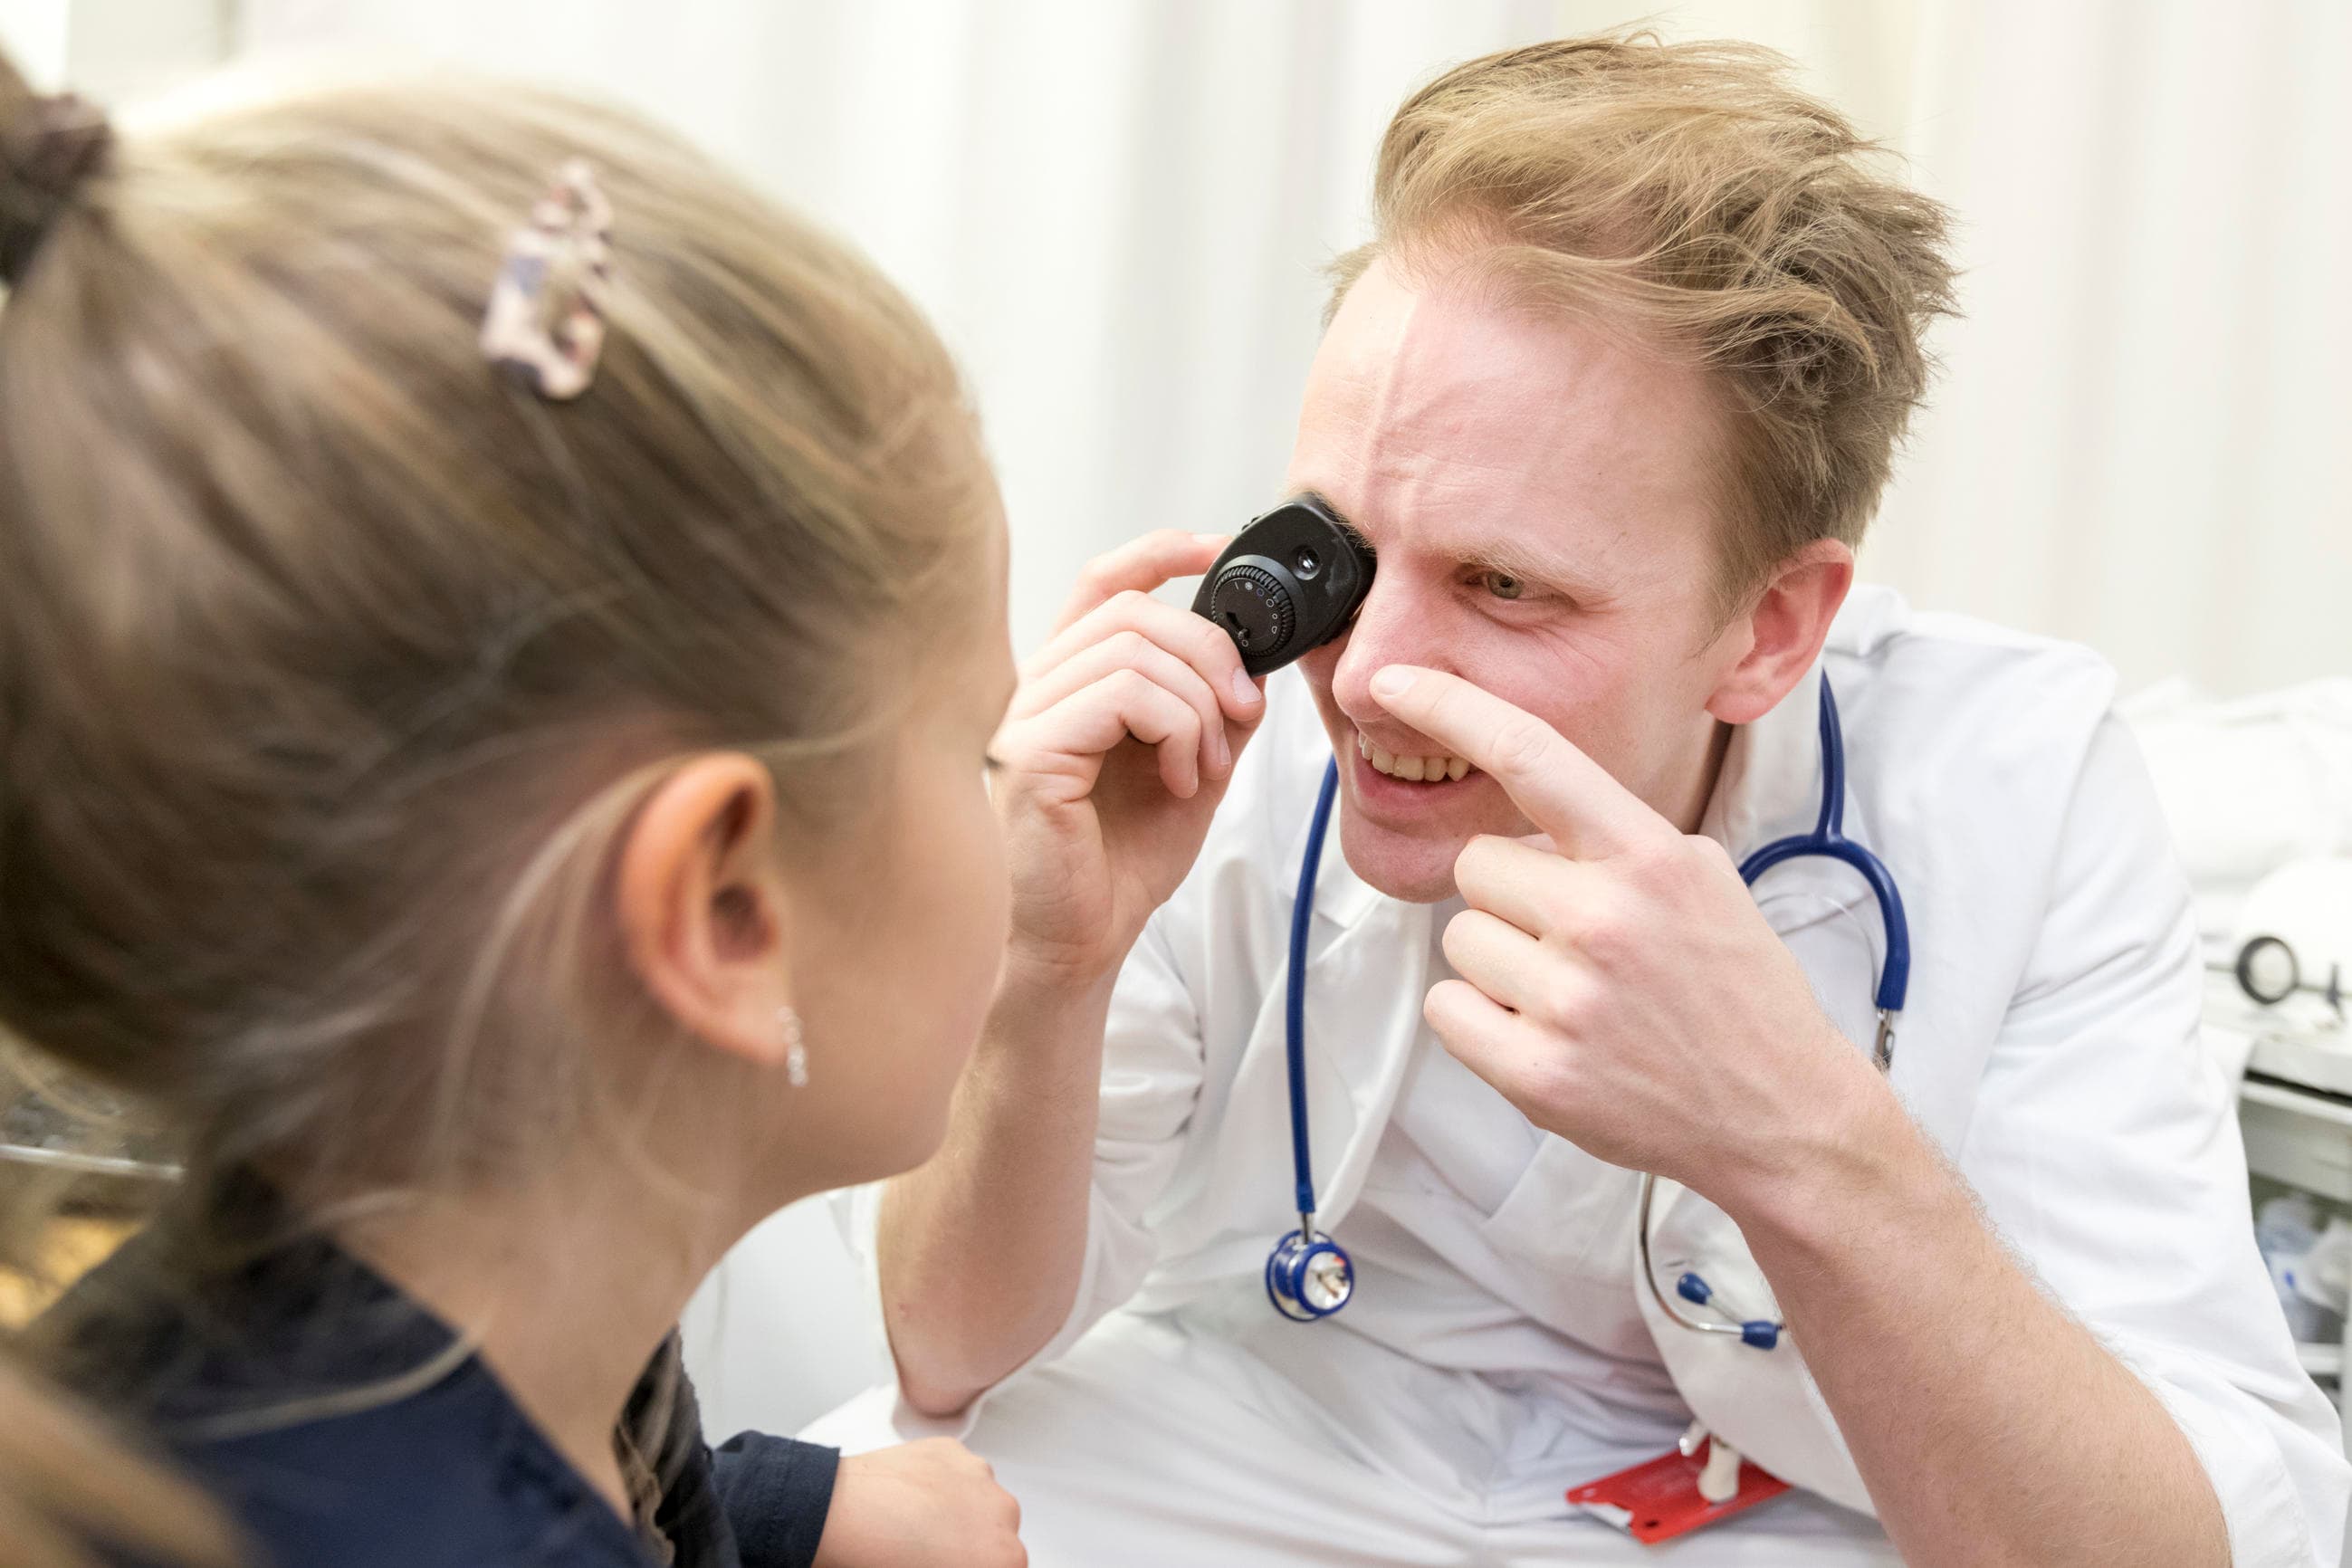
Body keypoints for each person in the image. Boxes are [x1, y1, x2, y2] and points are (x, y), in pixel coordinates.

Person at [815, 34, 2351, 1568]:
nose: (1367, 676)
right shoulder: (1219, 728)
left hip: (1800, 1505)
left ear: (1767, 631)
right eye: (1341, 545)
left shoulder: (2013, 784)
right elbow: (946, 1353)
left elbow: (2191, 1548)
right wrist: (1044, 970)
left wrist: (1790, 1132)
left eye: (1502, 585)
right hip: (1272, 1424)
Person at [0, 52, 1028, 1568]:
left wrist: (785, 1514)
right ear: (723, 908)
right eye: (978, 751)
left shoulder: (373, 1347)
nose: (1009, 812)